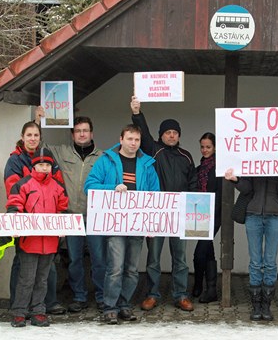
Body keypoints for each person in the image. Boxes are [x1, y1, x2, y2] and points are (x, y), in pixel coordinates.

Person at [84, 124, 160, 324]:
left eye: (137, 140)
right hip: (115, 224)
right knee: (115, 267)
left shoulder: (147, 164)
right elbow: (89, 186)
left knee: (132, 269)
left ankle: (124, 305)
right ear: (121, 139)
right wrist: (112, 188)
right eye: (129, 139)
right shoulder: (106, 160)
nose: (133, 143)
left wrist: (152, 223)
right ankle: (110, 307)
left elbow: (155, 196)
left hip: (138, 223)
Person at [35, 107, 106, 313]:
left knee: (98, 259)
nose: (82, 134)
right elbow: (39, 145)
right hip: (71, 216)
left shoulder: (103, 157)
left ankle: (101, 296)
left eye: (85, 130)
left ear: (92, 133)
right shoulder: (61, 152)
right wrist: (38, 120)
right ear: (72, 134)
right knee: (74, 259)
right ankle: (79, 296)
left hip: (95, 216)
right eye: (78, 131)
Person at [130, 95, 197, 312]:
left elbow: (194, 184)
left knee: (181, 258)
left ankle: (180, 295)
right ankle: (152, 294)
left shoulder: (186, 156)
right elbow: (144, 131)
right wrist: (137, 113)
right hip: (157, 213)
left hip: (179, 214)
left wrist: (193, 208)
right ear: (161, 135)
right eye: (168, 132)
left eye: (175, 133)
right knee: (153, 258)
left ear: (179, 136)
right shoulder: (153, 150)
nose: (171, 135)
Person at [4, 121, 66, 315]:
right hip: (27, 235)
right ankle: (19, 307)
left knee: (44, 275)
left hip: (48, 237)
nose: (32, 138)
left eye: (36, 135)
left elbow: (61, 200)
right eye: (29, 135)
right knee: (24, 274)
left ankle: (41, 307)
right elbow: (14, 195)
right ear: (23, 137)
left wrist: (62, 222)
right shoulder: (15, 162)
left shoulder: (52, 171)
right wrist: (17, 220)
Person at [224, 168, 278, 321]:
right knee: (255, 261)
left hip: (275, 215)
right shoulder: (254, 160)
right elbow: (247, 188)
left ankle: (266, 305)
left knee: (270, 262)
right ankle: (256, 305)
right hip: (253, 214)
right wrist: (236, 180)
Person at [192, 132, 222, 303]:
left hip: (214, 215)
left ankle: (198, 285)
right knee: (208, 251)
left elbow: (221, 194)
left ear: (215, 147)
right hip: (199, 215)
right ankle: (210, 289)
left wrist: (211, 213)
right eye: (202, 147)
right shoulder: (199, 169)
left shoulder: (219, 169)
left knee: (200, 253)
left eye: (208, 147)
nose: (204, 150)